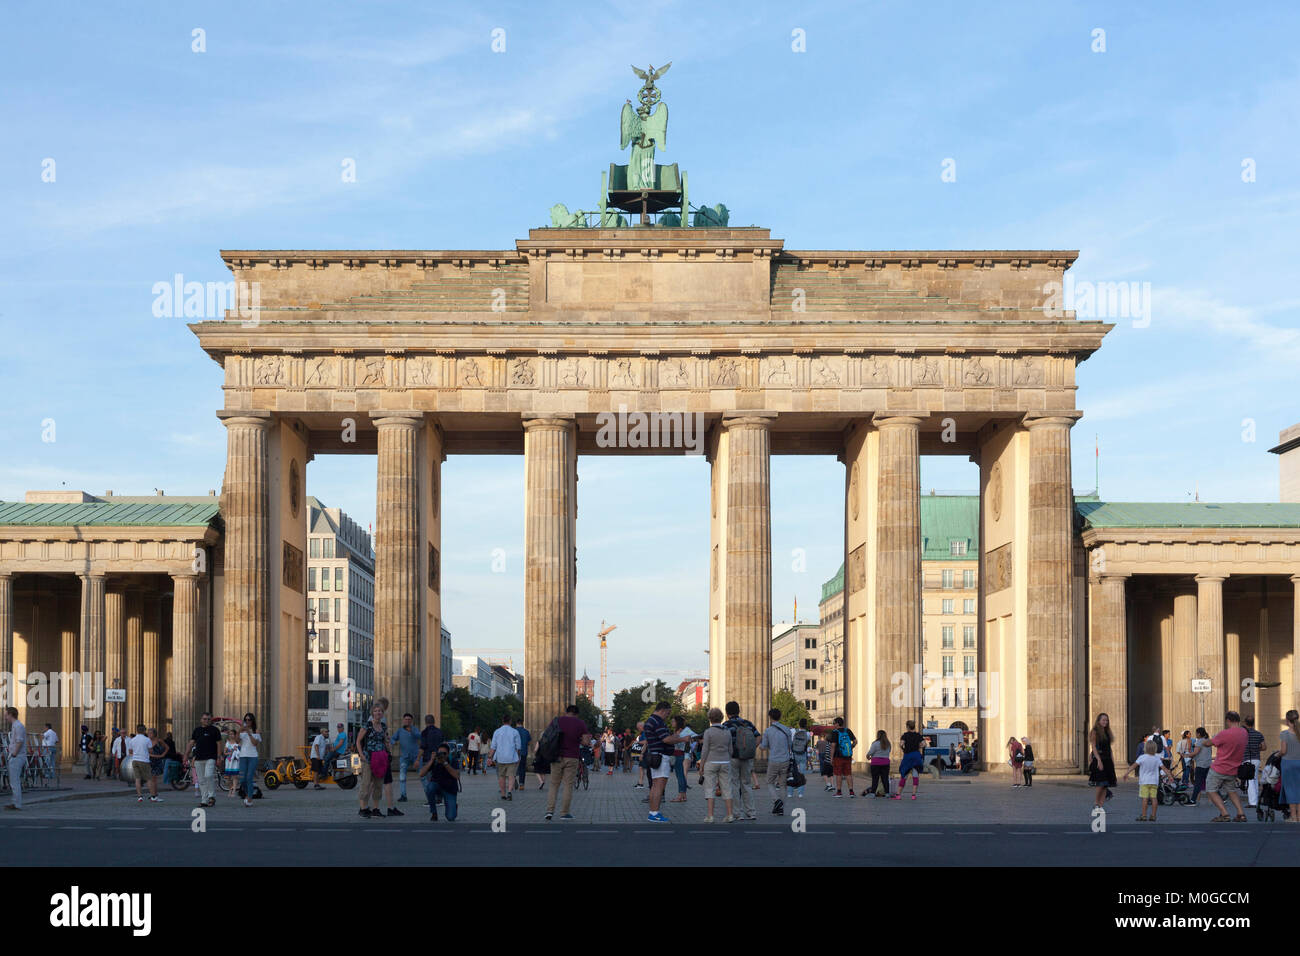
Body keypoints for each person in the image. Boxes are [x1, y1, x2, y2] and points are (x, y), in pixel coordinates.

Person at [545, 703, 591, 821]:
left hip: (557, 756)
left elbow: (548, 735)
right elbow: (586, 742)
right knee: (568, 785)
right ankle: (564, 813)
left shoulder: (557, 721)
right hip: (572, 757)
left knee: (554, 784)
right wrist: (579, 739)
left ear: (566, 712)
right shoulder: (580, 723)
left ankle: (549, 811)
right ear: (577, 714)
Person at [643, 701, 686, 823]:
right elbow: (666, 739)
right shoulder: (657, 721)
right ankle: (655, 813)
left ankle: (652, 811)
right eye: (668, 713)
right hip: (661, 757)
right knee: (659, 786)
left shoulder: (650, 720)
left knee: (655, 785)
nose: (668, 716)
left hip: (654, 755)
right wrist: (682, 738)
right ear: (663, 710)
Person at [1204, 711, 1249, 823]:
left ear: (1228, 720)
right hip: (1234, 769)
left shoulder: (1224, 733)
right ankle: (1241, 814)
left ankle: (1224, 814)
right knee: (1231, 790)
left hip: (1219, 768)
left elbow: (1208, 743)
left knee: (1211, 790)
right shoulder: (1244, 733)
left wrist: (1206, 740)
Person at [722, 701, 760, 820]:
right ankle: (751, 812)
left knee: (734, 784)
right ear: (739, 710)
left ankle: (737, 813)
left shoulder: (726, 725)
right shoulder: (747, 724)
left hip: (733, 758)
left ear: (727, 713)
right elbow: (758, 736)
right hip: (747, 757)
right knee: (747, 784)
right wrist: (752, 748)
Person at [1123, 738, 1175, 822]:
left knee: (1145, 799)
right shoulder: (1157, 758)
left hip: (1144, 782)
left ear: (1145, 748)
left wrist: (1126, 773)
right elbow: (1164, 769)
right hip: (1154, 782)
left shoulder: (1142, 757)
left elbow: (1133, 766)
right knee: (1154, 798)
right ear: (1155, 749)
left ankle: (1144, 815)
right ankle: (1153, 816)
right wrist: (1170, 776)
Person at [698, 708, 735, 823]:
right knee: (727, 788)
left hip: (711, 762)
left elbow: (705, 750)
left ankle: (710, 816)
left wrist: (701, 765)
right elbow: (731, 750)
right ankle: (729, 815)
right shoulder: (727, 731)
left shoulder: (708, 732)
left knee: (710, 788)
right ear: (721, 718)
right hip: (725, 762)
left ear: (710, 718)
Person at [356, 704, 391, 818]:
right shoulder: (367, 725)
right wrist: (361, 755)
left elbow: (385, 740)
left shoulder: (384, 726)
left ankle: (376, 809)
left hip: (381, 758)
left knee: (378, 784)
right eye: (375, 711)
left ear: (382, 713)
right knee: (366, 783)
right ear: (372, 713)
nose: (378, 713)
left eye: (380, 711)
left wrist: (388, 750)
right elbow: (358, 741)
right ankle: (363, 808)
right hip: (368, 758)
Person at [758, 707, 794, 816]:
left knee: (769, 782)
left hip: (774, 760)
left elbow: (763, 747)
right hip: (785, 760)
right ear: (780, 716)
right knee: (783, 784)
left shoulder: (768, 731)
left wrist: (759, 745)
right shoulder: (787, 730)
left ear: (770, 717)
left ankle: (776, 800)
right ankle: (781, 808)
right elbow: (790, 745)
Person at [418, 741, 461, 822]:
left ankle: (453, 806)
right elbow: (421, 774)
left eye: (444, 753)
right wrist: (431, 760)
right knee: (429, 787)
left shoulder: (453, 760)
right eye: (439, 752)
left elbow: (457, 776)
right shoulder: (435, 761)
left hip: (449, 789)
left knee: (451, 817)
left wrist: (445, 763)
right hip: (437, 787)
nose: (441, 755)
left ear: (448, 754)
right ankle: (434, 813)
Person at [190, 712, 223, 807]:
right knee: (201, 780)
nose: (206, 721)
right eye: (204, 719)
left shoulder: (215, 730)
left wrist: (219, 756)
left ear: (211, 720)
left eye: (208, 719)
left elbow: (219, 744)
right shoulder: (197, 730)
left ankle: (212, 796)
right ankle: (204, 800)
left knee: (208, 775)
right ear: (201, 720)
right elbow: (192, 743)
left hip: (211, 757)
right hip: (198, 758)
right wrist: (187, 754)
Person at [1087, 713, 1117, 809]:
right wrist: (1098, 760)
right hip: (1099, 758)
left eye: (1107, 720)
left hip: (1107, 758)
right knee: (1101, 783)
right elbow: (1094, 747)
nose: (1105, 722)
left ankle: (1100, 805)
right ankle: (1096, 802)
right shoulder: (1095, 731)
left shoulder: (1107, 732)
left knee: (1106, 784)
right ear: (1098, 721)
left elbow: (1109, 748)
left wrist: (1112, 759)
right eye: (1103, 720)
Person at [489, 713, 521, 801]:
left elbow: (493, 747)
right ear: (510, 721)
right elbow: (518, 747)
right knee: (512, 776)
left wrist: (489, 757)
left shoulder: (497, 732)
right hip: (512, 757)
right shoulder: (515, 732)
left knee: (501, 776)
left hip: (500, 758)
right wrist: (518, 757)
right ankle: (510, 791)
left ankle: (503, 794)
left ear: (502, 721)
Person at [892, 720, 925, 801]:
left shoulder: (905, 735)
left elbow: (901, 744)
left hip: (908, 756)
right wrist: (919, 746)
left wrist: (903, 749)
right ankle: (913, 795)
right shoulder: (918, 735)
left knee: (904, 774)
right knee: (915, 775)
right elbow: (924, 744)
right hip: (916, 755)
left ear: (907, 726)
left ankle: (898, 794)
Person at [128, 723, 161, 803]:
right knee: (149, 779)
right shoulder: (147, 740)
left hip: (135, 760)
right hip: (144, 761)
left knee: (137, 779)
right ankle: (153, 796)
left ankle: (140, 797)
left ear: (137, 730)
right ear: (144, 730)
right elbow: (150, 750)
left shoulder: (132, 740)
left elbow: (130, 751)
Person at [393, 713, 421, 803]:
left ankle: (429, 795)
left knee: (423, 776)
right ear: (403, 720)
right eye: (406, 719)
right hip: (404, 756)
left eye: (409, 719)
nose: (407, 721)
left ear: (411, 721)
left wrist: (411, 731)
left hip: (416, 756)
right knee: (402, 777)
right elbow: (393, 738)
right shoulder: (400, 731)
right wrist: (393, 742)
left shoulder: (415, 729)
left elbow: (419, 736)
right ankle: (403, 795)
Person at [235, 713, 261, 808]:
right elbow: (237, 741)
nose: (247, 722)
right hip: (243, 756)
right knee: (242, 779)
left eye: (249, 720)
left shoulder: (256, 731)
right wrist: (239, 731)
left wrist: (249, 733)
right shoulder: (242, 731)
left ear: (252, 721)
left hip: (253, 756)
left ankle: (250, 798)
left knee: (249, 777)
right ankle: (247, 793)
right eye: (245, 720)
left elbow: (255, 743)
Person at [1279, 710, 1300, 824]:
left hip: (1288, 763)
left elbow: (1283, 751)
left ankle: (1293, 816)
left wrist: (1277, 754)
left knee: (1290, 789)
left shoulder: (1285, 734)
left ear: (1287, 720)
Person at [3, 707, 26, 810]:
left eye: (6, 714)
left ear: (11, 714)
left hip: (17, 756)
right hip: (15, 755)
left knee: (15, 781)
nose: (5, 717)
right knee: (13, 781)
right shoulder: (15, 725)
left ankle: (17, 804)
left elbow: (19, 741)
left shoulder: (18, 726)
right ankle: (15, 802)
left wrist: (14, 754)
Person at [829, 716, 857, 798]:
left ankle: (839, 792)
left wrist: (831, 758)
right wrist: (851, 748)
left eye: (834, 723)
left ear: (837, 724)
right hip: (847, 756)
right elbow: (855, 741)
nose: (833, 725)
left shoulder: (835, 732)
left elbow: (833, 745)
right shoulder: (848, 730)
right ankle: (851, 792)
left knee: (838, 774)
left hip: (838, 756)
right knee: (848, 774)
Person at [1243, 716, 1265, 808]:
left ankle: (1252, 802)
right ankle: (1255, 799)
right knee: (1255, 779)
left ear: (1245, 723)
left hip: (1247, 759)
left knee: (1250, 780)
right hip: (1256, 759)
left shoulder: (1243, 734)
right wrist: (1256, 748)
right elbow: (1264, 747)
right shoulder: (1259, 734)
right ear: (1253, 723)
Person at [1188, 727, 1212, 805]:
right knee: (1209, 783)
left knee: (1198, 783)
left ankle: (1193, 800)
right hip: (1208, 764)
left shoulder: (1199, 741)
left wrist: (1186, 755)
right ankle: (1221, 798)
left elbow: (1195, 752)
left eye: (1196, 733)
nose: (1196, 735)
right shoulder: (1208, 741)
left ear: (1198, 733)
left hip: (1201, 765)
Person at [418, 715, 445, 782]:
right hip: (439, 759)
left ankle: (431, 791)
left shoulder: (424, 732)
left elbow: (422, 748)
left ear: (425, 722)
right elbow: (443, 745)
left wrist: (418, 759)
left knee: (429, 780)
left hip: (428, 759)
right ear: (434, 721)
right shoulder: (440, 732)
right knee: (438, 779)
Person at [790, 719, 811, 796]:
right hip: (803, 753)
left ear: (799, 724)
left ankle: (790, 793)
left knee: (792, 773)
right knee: (801, 774)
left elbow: (791, 742)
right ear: (806, 725)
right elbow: (807, 742)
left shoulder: (794, 732)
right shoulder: (808, 733)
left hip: (794, 753)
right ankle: (800, 793)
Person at [867, 730, 891, 797]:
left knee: (875, 779)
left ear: (878, 735)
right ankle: (887, 793)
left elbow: (870, 752)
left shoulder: (875, 743)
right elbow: (889, 752)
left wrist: (868, 756)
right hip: (886, 763)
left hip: (875, 763)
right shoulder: (888, 744)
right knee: (885, 779)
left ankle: (873, 793)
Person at [513, 718, 531, 792]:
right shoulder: (526, 732)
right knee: (522, 768)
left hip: (514, 753)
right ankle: (521, 784)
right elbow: (529, 742)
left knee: (513, 768)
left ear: (516, 723)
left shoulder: (513, 731)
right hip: (523, 752)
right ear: (522, 723)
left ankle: (513, 781)